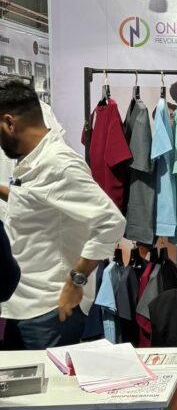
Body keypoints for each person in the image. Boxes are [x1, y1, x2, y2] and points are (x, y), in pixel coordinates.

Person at [0, 77, 126, 349]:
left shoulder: (60, 163)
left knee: (45, 378)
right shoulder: (36, 161)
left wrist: (76, 279)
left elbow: (111, 221)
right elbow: (37, 201)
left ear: (10, 123)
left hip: (51, 308)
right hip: (25, 304)